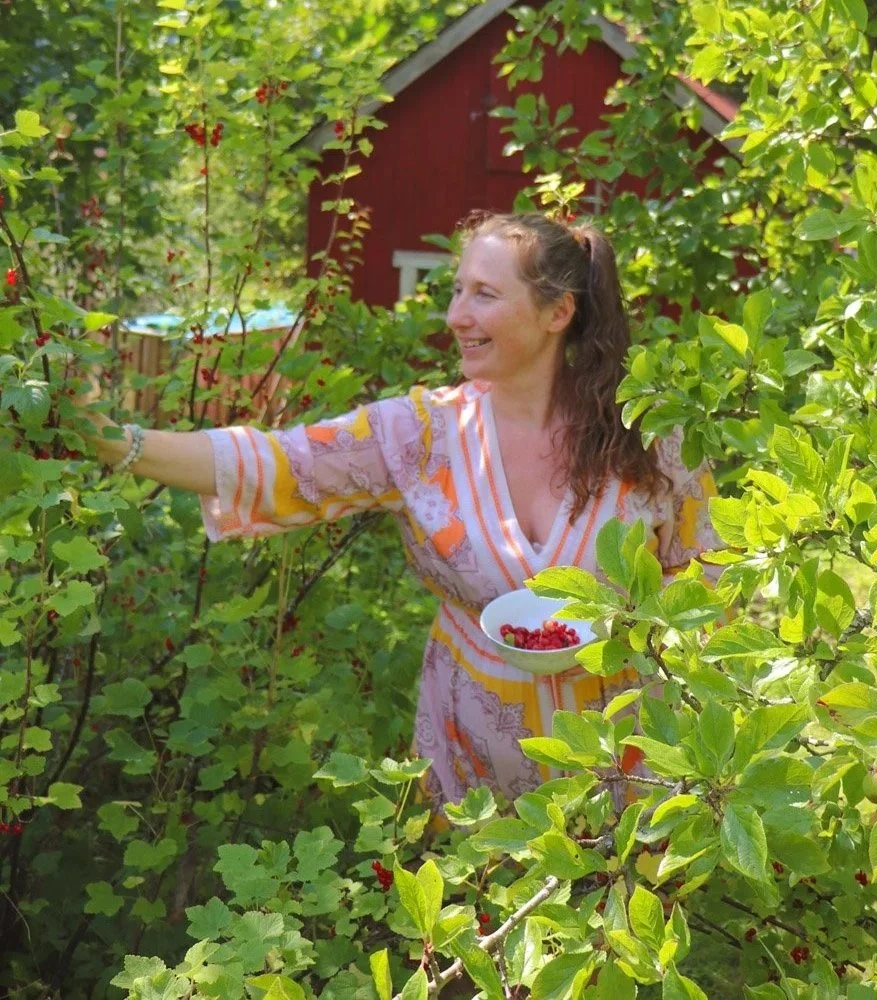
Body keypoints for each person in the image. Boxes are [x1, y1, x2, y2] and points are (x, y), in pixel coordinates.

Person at [85, 211, 721, 811]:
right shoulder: (420, 436)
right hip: (475, 782)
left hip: (627, 780)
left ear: (558, 312)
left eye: (484, 295)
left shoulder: (649, 438)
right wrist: (117, 443)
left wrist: (648, 635)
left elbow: (710, 580)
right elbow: (272, 463)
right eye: (456, 291)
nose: (455, 316)